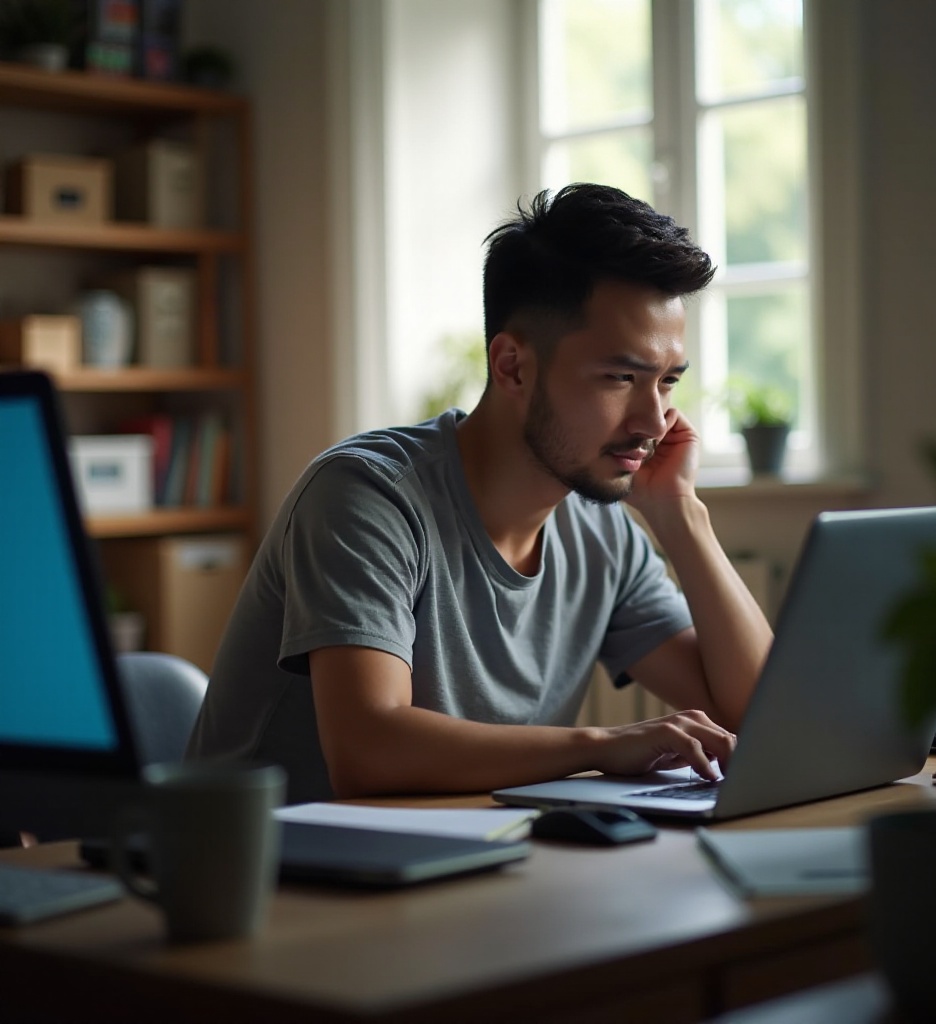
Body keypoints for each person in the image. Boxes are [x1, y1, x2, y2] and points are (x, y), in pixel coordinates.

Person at [186, 183, 773, 803]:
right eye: (621, 377)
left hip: (462, 862)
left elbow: (758, 718)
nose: (654, 422)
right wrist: (601, 747)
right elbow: (367, 752)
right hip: (269, 878)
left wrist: (682, 516)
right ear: (513, 365)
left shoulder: (603, 531)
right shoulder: (367, 496)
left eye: (668, 383)